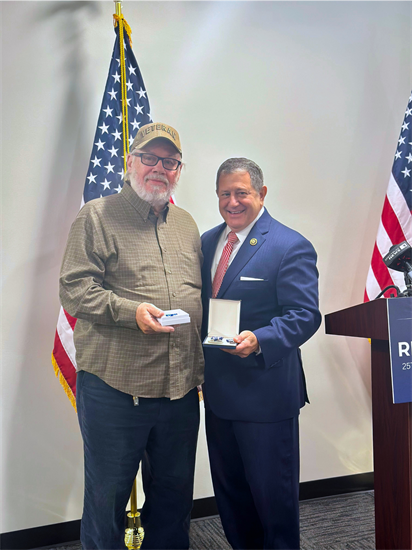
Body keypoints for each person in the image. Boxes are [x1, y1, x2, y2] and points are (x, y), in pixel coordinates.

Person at [60, 123, 204, 550]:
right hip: (115, 391)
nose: (160, 168)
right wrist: (131, 312)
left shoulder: (186, 224)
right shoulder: (97, 216)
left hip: (179, 392)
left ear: (178, 170)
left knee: (174, 502)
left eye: (170, 162)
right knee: (106, 503)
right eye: (150, 158)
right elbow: (74, 289)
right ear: (130, 163)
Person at [201, 157, 321, 550]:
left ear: (262, 194)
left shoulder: (289, 245)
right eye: (225, 194)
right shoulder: (206, 243)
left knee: (273, 505)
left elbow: (305, 315)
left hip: (265, 397)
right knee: (232, 500)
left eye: (242, 193)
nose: (232, 202)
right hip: (218, 397)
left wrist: (261, 339)